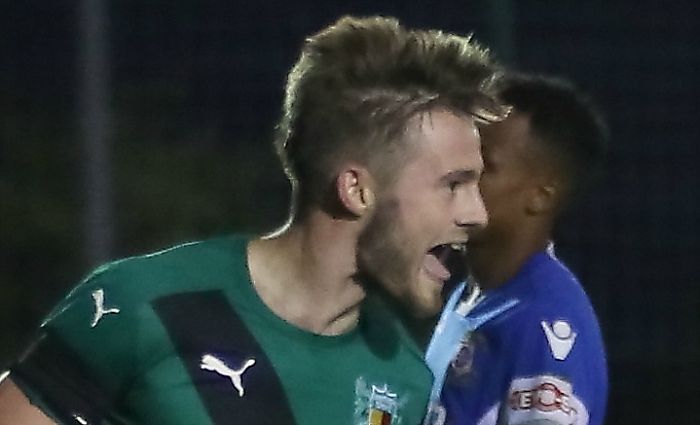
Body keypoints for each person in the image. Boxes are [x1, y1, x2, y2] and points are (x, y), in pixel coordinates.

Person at [0, 16, 508, 425]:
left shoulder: (403, 380)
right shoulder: (140, 307)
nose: (476, 214)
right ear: (356, 190)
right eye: (452, 185)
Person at [439, 74, 609, 425]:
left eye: (485, 165)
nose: (457, 175)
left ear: (541, 196)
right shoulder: (469, 296)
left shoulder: (544, 322)